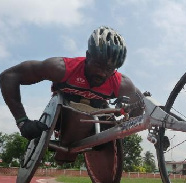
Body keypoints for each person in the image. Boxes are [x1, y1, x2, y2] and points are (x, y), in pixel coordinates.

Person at [0, 26, 144, 141]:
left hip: (97, 119)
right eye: (99, 65)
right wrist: (22, 121)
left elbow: (140, 106)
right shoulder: (61, 68)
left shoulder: (122, 84)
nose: (102, 73)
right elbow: (9, 76)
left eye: (109, 69)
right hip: (61, 117)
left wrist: (123, 125)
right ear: (88, 56)